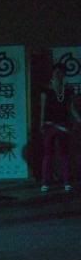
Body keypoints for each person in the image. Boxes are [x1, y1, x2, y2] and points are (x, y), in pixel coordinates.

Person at [39, 63, 73, 193]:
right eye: (56, 72)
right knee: (48, 154)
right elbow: (43, 108)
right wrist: (41, 123)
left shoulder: (67, 90)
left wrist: (78, 119)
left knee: (64, 154)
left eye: (61, 72)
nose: (58, 74)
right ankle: (45, 182)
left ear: (64, 74)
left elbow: (70, 108)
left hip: (63, 125)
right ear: (53, 73)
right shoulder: (46, 90)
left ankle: (66, 182)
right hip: (49, 125)